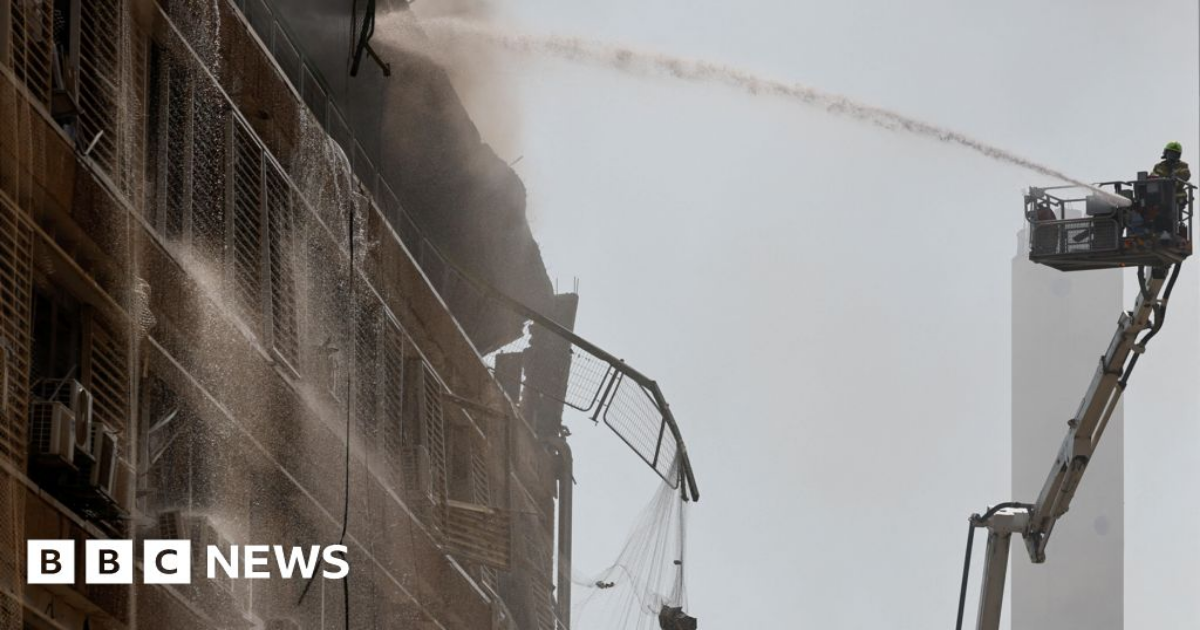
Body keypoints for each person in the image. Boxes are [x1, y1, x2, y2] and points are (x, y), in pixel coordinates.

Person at [1151, 142, 1191, 241]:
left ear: (1178, 156)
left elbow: (1184, 177)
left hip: (1177, 197)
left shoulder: (1183, 166)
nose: (1172, 156)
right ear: (1166, 153)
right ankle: (1157, 232)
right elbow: (1152, 178)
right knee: (1156, 212)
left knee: (1171, 214)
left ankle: (1168, 233)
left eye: (1175, 154)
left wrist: (1172, 182)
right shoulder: (1159, 166)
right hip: (1161, 197)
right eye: (1171, 153)